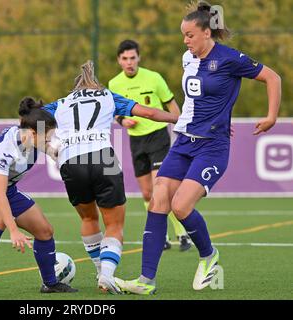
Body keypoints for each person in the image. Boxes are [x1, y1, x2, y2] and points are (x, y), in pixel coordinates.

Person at [116, 1, 281, 295]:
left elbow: (272, 77)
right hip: (183, 141)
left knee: (180, 206)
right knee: (158, 199)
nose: (185, 41)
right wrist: (202, 118)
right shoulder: (187, 58)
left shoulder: (230, 58)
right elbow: (195, 100)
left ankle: (209, 255)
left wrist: (270, 116)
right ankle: (145, 281)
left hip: (213, 147)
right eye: (183, 35)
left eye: (190, 35)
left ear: (207, 32)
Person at [43, 60, 179, 294]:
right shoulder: (107, 96)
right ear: (96, 85)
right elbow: (148, 112)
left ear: (75, 89)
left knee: (88, 219)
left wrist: (51, 150)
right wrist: (181, 119)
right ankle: (106, 275)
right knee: (114, 224)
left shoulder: (61, 103)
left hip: (70, 160)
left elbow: (31, 123)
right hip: (102, 158)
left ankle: (99, 271)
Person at [0, 98, 77, 294]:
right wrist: (13, 230)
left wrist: (69, 159)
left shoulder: (33, 137)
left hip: (8, 190)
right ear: (33, 133)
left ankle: (50, 283)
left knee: (45, 230)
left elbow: (52, 151)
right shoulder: (6, 148)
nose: (48, 141)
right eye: (47, 138)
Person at [109, 39, 191, 251]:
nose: (129, 62)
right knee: (146, 193)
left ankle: (181, 234)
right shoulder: (114, 84)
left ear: (139, 58)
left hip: (157, 137)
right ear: (119, 60)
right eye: (125, 58)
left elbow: (170, 104)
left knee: (160, 189)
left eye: (133, 58)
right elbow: (116, 111)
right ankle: (162, 236)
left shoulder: (153, 78)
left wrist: (181, 126)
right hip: (136, 140)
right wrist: (122, 120)